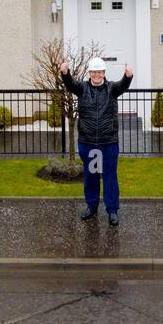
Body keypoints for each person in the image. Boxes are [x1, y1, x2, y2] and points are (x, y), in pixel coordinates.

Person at [60, 56, 132, 226]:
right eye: (94, 72)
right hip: (88, 142)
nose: (97, 75)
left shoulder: (112, 88)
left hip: (109, 142)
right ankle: (91, 206)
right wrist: (65, 73)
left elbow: (123, 85)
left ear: (104, 73)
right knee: (91, 175)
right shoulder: (82, 88)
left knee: (109, 176)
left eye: (99, 72)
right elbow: (70, 83)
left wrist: (128, 76)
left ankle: (112, 210)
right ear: (90, 73)